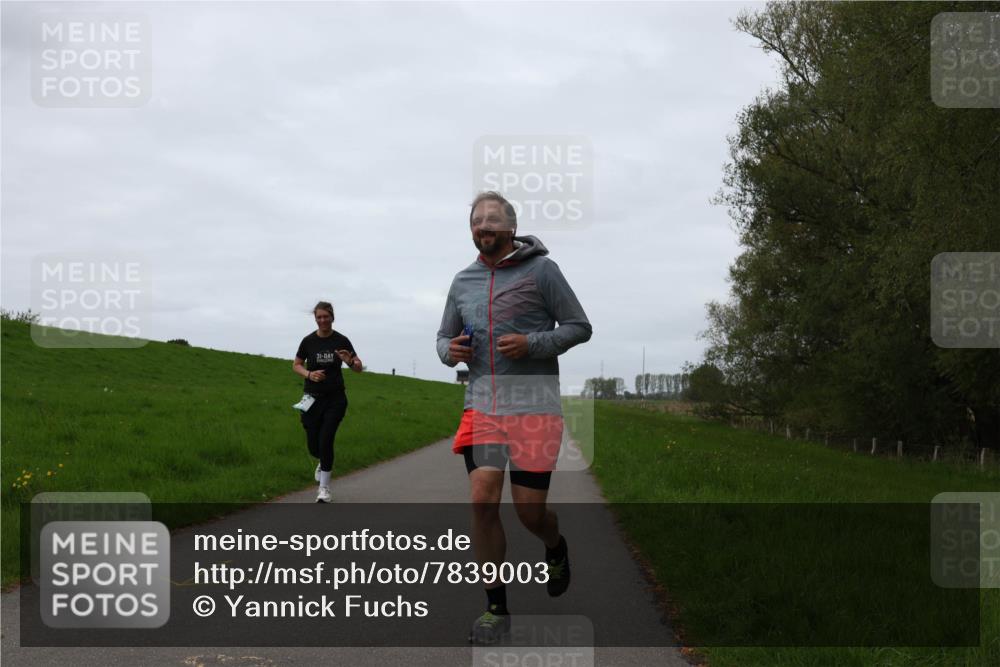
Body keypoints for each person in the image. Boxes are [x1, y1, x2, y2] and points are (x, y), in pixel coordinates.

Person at [436, 191, 592, 644]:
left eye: (492, 220)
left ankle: (554, 545)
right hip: (482, 406)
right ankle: (496, 610)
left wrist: (532, 343)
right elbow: (443, 338)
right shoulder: (462, 281)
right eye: (476, 220)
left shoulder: (542, 271)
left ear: (510, 227)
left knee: (529, 512)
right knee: (482, 500)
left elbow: (579, 326)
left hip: (534, 408)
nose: (482, 227)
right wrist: (450, 351)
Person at [293, 301, 363, 503]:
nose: (323, 320)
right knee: (313, 446)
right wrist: (309, 374)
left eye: (326, 316)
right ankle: (322, 460)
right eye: (319, 317)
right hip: (312, 399)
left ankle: (324, 489)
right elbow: (296, 365)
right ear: (315, 319)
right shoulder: (308, 341)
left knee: (326, 440)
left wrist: (350, 361)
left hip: (335, 399)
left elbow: (358, 367)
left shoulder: (341, 340)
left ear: (332, 317)